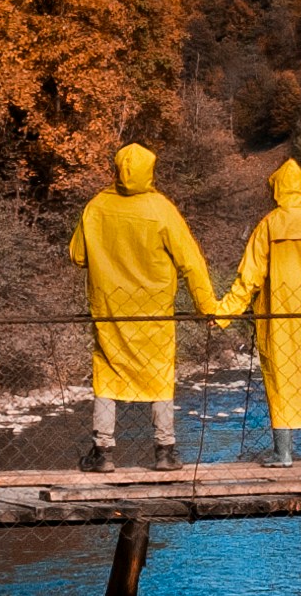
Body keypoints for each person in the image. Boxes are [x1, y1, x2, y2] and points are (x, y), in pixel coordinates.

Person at [68, 142, 219, 471]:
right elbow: (190, 262)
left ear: (117, 169)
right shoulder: (161, 209)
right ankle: (165, 450)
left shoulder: (97, 207)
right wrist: (208, 307)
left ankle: (103, 452)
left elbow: (78, 255)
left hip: (110, 309)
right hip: (154, 312)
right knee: (160, 378)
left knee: (107, 377)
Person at [215, 158, 301, 465]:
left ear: (276, 189)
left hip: (278, 320)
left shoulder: (269, 226)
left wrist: (224, 313)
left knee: (281, 383)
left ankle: (283, 453)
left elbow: (248, 278)